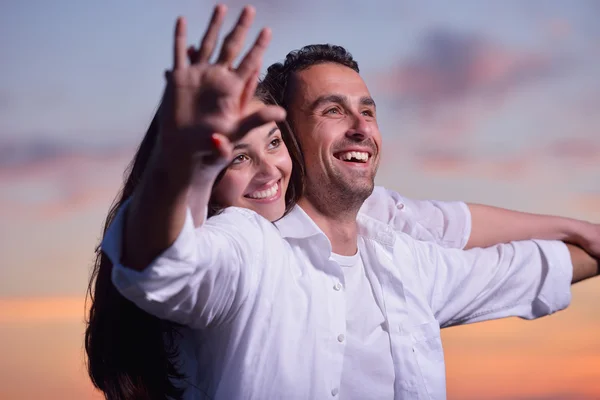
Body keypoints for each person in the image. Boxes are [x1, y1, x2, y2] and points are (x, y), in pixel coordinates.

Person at [86, 5, 600, 400]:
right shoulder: (251, 246)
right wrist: (176, 167)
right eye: (332, 110)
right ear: (292, 133)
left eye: (368, 110)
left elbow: (529, 262)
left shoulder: (404, 259)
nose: (360, 127)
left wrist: (581, 229)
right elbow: (161, 263)